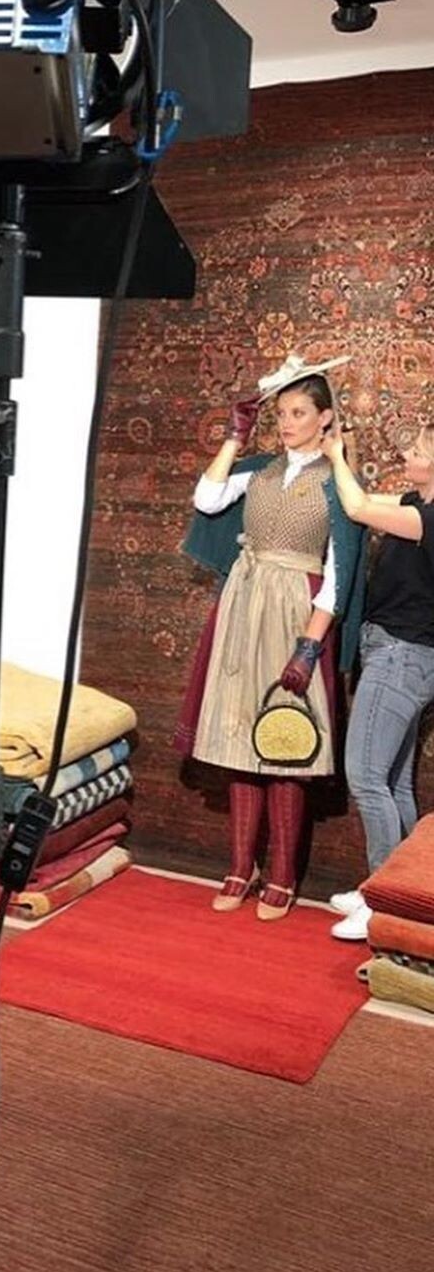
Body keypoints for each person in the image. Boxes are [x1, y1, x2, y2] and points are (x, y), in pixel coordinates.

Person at [176, 352, 365, 920]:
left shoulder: (337, 481)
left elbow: (340, 569)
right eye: (281, 413)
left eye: (299, 413)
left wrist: (310, 646)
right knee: (239, 735)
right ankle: (241, 867)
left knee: (286, 738)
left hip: (296, 610)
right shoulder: (257, 470)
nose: (287, 423)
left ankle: (282, 874)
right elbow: (207, 499)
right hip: (244, 602)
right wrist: (235, 438)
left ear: (325, 418)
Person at [321, 423, 434, 941]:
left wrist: (335, 455)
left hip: (401, 657)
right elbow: (362, 499)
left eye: (419, 450)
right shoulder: (414, 502)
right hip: (403, 656)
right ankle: (399, 893)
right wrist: (340, 453)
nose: (407, 453)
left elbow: (358, 508)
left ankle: (379, 906)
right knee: (393, 782)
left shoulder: (428, 518)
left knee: (366, 778)